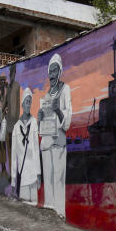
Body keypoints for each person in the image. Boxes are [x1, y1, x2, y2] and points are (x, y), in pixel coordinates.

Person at [38, 53, 72, 217]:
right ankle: (49, 210)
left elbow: (67, 121)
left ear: (60, 72)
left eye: (55, 71)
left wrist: (58, 110)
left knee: (59, 179)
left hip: (58, 142)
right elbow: (42, 127)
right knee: (49, 180)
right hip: (46, 143)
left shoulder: (65, 90)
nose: (52, 75)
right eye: (50, 71)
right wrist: (40, 119)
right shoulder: (45, 96)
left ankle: (60, 213)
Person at [11, 88, 41, 205]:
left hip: (33, 175)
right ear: (22, 104)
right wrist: (13, 181)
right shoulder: (16, 127)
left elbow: (36, 149)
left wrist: (38, 174)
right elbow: (14, 156)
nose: (28, 104)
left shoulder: (34, 123)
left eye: (30, 102)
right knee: (24, 207)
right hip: (23, 176)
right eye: (26, 102)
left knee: (33, 205)